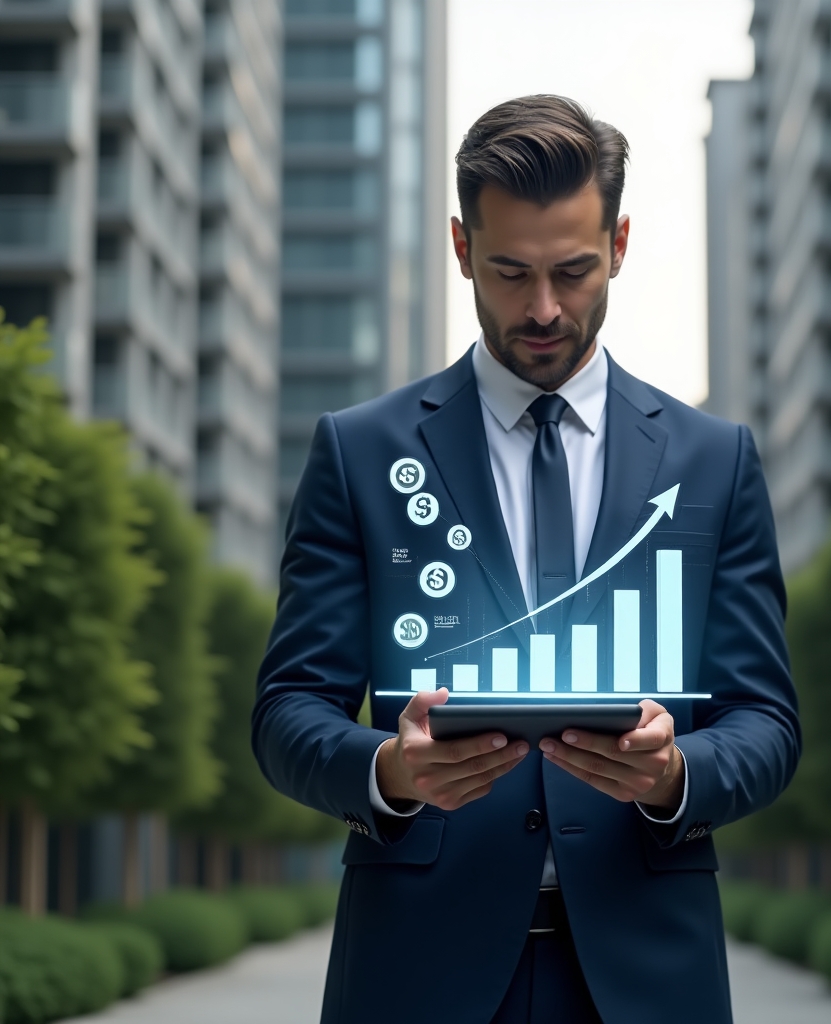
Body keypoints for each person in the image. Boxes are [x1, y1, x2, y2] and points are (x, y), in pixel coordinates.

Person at [253, 95, 800, 1024]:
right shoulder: (360, 452)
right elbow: (286, 713)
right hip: (416, 973)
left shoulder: (716, 461)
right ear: (462, 249)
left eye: (574, 272)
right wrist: (387, 769)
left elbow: (767, 722)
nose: (543, 309)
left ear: (620, 244)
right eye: (509, 272)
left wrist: (676, 779)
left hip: (646, 974)